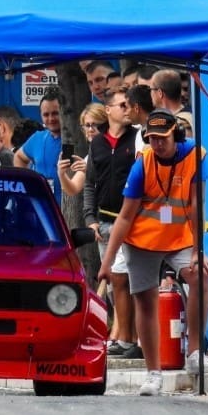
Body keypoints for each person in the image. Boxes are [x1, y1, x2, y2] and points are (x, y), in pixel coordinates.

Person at [98, 108, 208, 397]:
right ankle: (153, 373)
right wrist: (108, 262)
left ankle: (194, 354)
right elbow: (125, 217)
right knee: (146, 302)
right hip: (141, 241)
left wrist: (198, 250)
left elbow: (197, 205)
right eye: (152, 138)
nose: (157, 144)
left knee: (200, 276)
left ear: (175, 135)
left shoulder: (196, 156)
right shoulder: (142, 164)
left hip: (180, 237)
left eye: (162, 138)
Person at [83, 88, 141, 357]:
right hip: (105, 221)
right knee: (115, 281)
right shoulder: (97, 143)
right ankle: (123, 335)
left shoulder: (137, 137)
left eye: (129, 105)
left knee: (130, 278)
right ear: (108, 110)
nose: (127, 109)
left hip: (131, 221)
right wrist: (90, 217)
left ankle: (131, 337)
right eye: (122, 105)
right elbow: (90, 184)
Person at [14, 90, 65, 203]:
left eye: (55, 113)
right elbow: (19, 157)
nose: (51, 119)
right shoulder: (37, 138)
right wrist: (25, 183)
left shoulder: (74, 139)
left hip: (67, 208)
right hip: (42, 206)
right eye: (46, 115)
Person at [58, 102, 107, 197]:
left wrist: (91, 171)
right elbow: (73, 189)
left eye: (95, 125)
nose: (90, 130)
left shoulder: (115, 149)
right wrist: (61, 174)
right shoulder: (89, 157)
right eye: (87, 125)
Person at [151, 68, 194, 138]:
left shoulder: (183, 122)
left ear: (160, 93)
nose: (150, 93)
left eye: (151, 89)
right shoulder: (164, 119)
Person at [127, 84, 155, 154]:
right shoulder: (139, 133)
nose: (125, 112)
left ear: (136, 108)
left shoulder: (160, 131)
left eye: (127, 107)